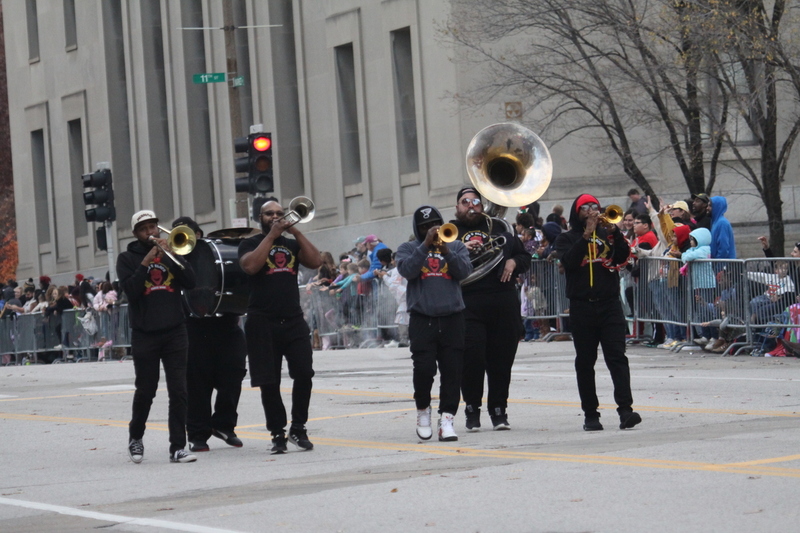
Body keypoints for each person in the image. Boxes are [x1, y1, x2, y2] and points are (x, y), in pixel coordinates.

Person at [239, 199, 322, 454]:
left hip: (293, 319)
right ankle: (277, 432)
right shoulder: (250, 243)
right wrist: (272, 235)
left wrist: (294, 230)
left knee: (304, 374)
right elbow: (251, 266)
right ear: (260, 218)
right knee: (269, 381)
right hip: (262, 321)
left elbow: (316, 261)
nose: (275, 216)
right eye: (269, 214)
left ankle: (298, 427)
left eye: (279, 213)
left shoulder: (292, 244)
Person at [554, 193, 641, 431]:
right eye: (585, 208)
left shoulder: (607, 235)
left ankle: (626, 410)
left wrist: (615, 234)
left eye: (595, 207)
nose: (591, 211)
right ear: (576, 212)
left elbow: (622, 257)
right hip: (582, 306)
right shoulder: (566, 239)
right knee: (585, 361)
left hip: (609, 304)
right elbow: (569, 262)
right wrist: (585, 235)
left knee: (617, 357)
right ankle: (590, 414)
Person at [117, 209, 197, 464]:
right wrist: (146, 262)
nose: (151, 232)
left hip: (175, 330)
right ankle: (136, 438)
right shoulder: (126, 258)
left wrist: (173, 255)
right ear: (136, 233)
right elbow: (131, 291)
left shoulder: (171, 252)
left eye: (153, 226)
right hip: (145, 334)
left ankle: (177, 447)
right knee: (146, 390)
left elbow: (191, 281)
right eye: (144, 229)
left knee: (179, 390)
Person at [451, 187, 531, 431]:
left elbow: (524, 258)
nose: (471, 205)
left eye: (476, 201)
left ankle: (499, 411)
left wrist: (513, 260)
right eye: (465, 202)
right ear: (457, 207)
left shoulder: (500, 229)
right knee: (471, 360)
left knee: (501, 361)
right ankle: (472, 411)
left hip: (503, 302)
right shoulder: (450, 233)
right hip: (468, 304)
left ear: (482, 205)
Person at [171, 216, 248, 454]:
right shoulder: (174, 261)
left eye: (188, 234)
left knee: (234, 375)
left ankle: (224, 425)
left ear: (199, 234)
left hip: (226, 323)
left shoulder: (210, 253)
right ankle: (197, 433)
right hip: (193, 326)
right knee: (197, 382)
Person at [395, 205, 472, 441]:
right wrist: (425, 245)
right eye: (426, 227)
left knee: (452, 371)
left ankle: (447, 419)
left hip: (452, 318)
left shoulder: (456, 245)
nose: (432, 229)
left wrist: (447, 250)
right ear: (418, 230)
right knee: (424, 369)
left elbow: (464, 272)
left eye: (435, 224)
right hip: (422, 319)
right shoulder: (407, 249)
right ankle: (423, 413)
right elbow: (408, 271)